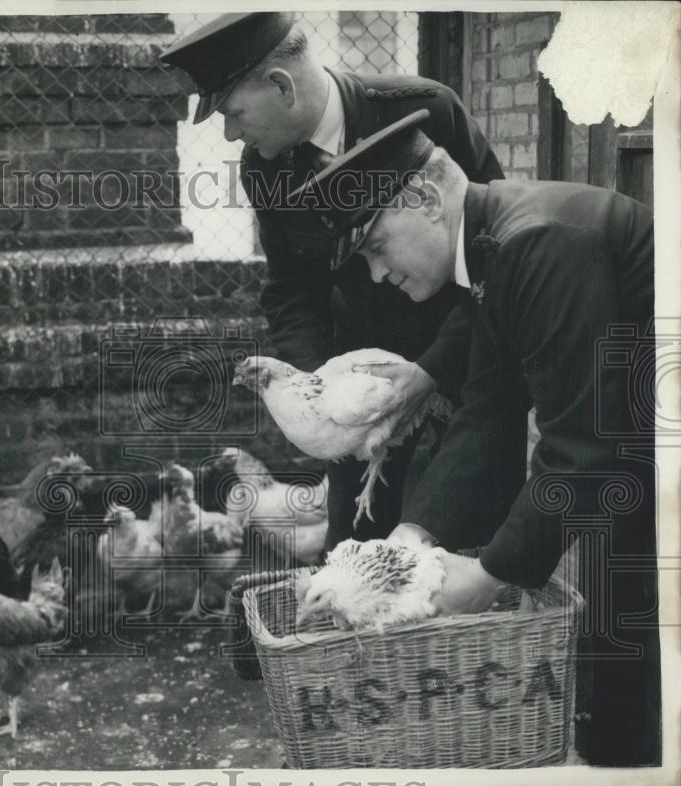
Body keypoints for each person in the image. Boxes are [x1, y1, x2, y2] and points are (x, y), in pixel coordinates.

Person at [302, 110, 659, 767]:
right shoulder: (492, 252)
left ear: (429, 199)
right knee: (618, 667)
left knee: (638, 657)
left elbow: (579, 447)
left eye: (377, 246)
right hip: (638, 452)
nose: (378, 275)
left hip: (647, 456)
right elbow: (488, 407)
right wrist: (414, 537)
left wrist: (493, 572)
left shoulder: (539, 244)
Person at [159, 12, 522, 551]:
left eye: (233, 112)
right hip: (354, 389)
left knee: (468, 540)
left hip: (466, 363)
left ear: (281, 85)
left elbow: (499, 252)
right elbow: (291, 289)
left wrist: (431, 370)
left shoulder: (424, 109)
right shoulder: (263, 168)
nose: (232, 132)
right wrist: (319, 393)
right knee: (354, 550)